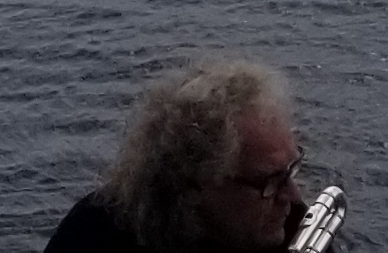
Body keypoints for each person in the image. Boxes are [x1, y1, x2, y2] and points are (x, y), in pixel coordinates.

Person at [43, 59, 312, 252]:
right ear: (197, 184)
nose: (293, 196)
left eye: (290, 170)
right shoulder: (92, 234)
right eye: (270, 181)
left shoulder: (292, 227)